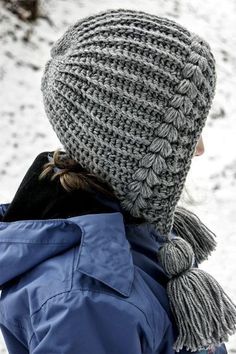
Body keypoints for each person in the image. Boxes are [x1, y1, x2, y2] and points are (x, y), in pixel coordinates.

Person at [0, 8, 235, 354]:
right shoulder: (86, 304)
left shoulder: (126, 229)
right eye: (187, 135)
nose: (199, 149)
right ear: (129, 149)